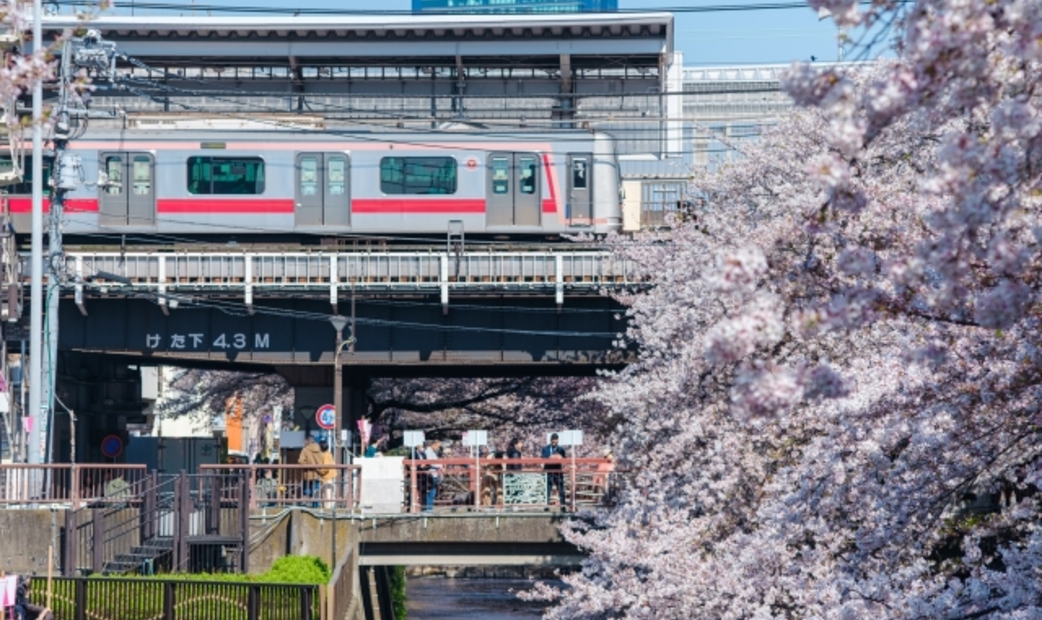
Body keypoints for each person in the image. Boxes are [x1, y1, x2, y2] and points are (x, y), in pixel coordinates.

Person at [297, 435, 327, 508]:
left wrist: (308, 465)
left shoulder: (305, 450)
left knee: (306, 491)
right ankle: (315, 507)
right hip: (317, 474)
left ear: (307, 441)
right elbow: (322, 461)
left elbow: (301, 461)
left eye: (305, 441)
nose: (304, 442)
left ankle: (306, 506)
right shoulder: (319, 449)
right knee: (316, 491)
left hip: (307, 474)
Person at [541, 433, 567, 509]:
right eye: (553, 442)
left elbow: (564, 459)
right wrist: (550, 458)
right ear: (550, 441)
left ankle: (563, 506)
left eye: (556, 442)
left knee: (561, 489)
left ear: (558, 441)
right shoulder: (545, 449)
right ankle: (546, 506)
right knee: (547, 489)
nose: (554, 443)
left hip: (558, 471)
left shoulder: (561, 449)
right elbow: (543, 459)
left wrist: (562, 462)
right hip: (548, 471)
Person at [422, 439, 442, 512]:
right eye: (437, 446)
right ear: (434, 444)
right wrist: (437, 467)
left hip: (434, 473)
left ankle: (429, 508)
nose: (438, 448)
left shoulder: (432, 452)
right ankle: (428, 509)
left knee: (433, 492)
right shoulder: (428, 452)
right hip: (431, 474)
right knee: (431, 491)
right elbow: (430, 463)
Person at [319, 441, 337, 509]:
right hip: (330, 476)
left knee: (327, 495)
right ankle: (330, 509)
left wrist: (320, 471)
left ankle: (327, 510)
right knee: (330, 495)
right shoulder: (329, 454)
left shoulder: (325, 455)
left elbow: (326, 467)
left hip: (327, 477)